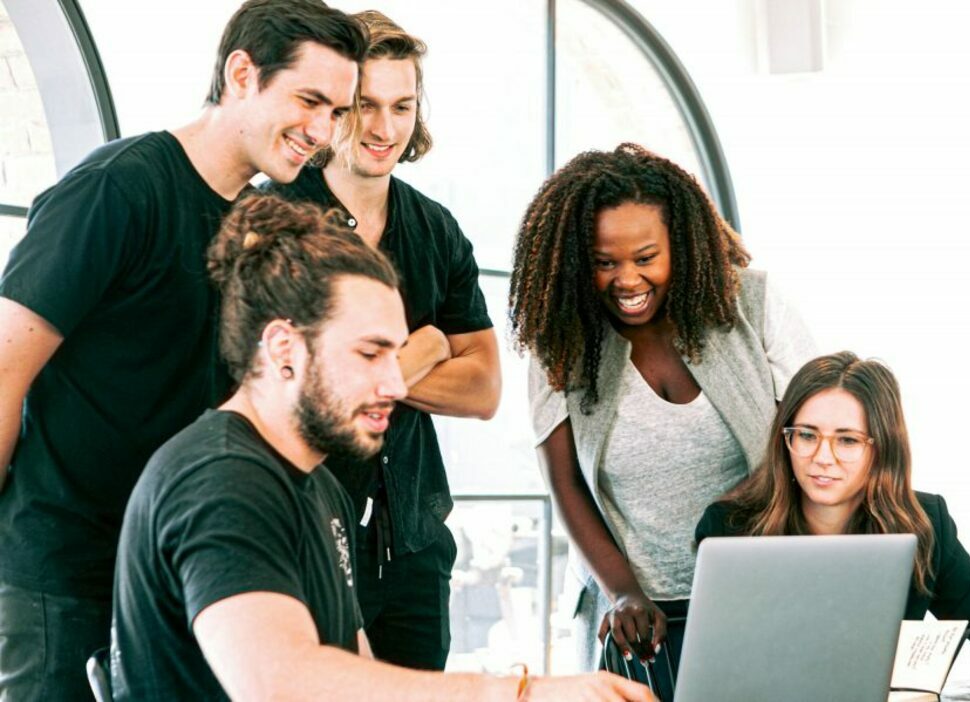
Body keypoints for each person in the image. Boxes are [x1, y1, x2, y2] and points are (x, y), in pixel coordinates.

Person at [110, 193, 652, 702]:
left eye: (397, 356)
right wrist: (519, 692)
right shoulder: (221, 480)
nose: (397, 385)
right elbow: (281, 683)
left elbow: (357, 667)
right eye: (371, 355)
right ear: (282, 348)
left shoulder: (319, 487)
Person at [0, 2, 364, 698]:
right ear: (241, 74)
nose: (322, 133)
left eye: (337, 113)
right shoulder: (118, 188)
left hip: (177, 572)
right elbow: (2, 369)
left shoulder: (253, 224)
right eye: (310, 100)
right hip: (66, 576)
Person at [509, 143, 817, 670]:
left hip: (758, 591)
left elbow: (813, 442)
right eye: (605, 263)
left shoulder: (754, 305)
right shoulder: (560, 338)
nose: (627, 280)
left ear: (683, 244)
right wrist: (623, 592)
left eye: (646, 258)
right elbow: (565, 483)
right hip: (634, 615)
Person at [263, 10, 501, 670]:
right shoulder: (276, 220)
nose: (384, 128)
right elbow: (286, 384)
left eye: (402, 105)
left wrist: (367, 366)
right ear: (334, 107)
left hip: (415, 547)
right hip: (305, 537)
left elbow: (484, 388)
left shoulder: (437, 230)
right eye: (365, 105)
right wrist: (424, 348)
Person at [695, 351, 970, 697]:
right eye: (807, 435)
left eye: (847, 441)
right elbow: (713, 666)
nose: (822, 457)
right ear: (785, 441)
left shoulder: (924, 525)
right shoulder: (730, 528)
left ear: (881, 448)